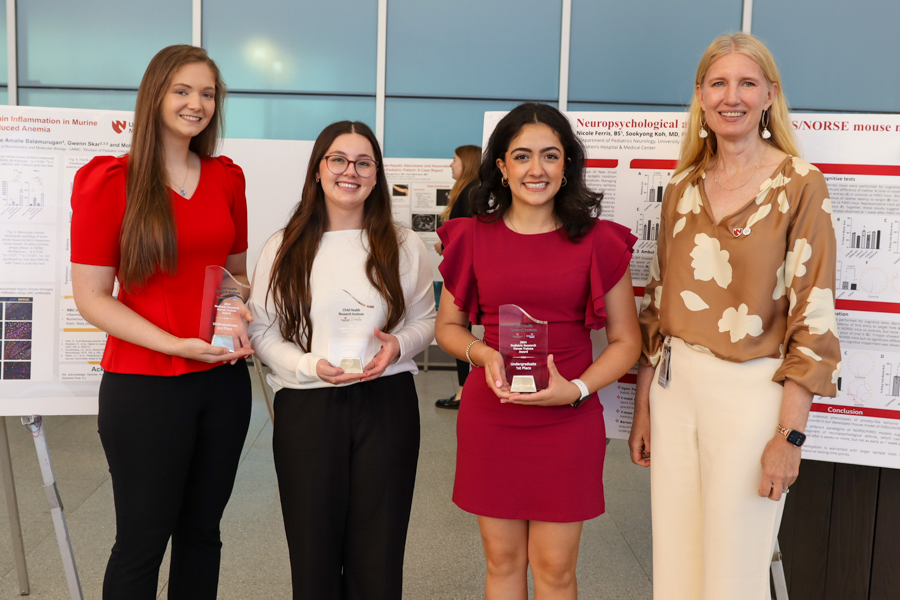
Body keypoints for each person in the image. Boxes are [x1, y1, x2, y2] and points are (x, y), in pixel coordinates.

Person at [628, 33, 840, 600]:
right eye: (718, 83)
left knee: (734, 572)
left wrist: (788, 435)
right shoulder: (681, 187)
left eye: (747, 83)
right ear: (700, 95)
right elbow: (658, 305)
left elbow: (813, 320)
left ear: (770, 94)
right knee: (674, 564)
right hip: (675, 388)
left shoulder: (800, 184)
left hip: (752, 394)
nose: (732, 96)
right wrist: (643, 406)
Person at [435, 103, 641, 600]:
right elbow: (448, 327)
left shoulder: (599, 242)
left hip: (568, 418)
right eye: (522, 156)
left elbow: (627, 341)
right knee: (502, 562)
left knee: (555, 569)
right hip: (493, 414)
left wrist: (576, 389)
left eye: (550, 155)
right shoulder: (471, 238)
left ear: (567, 164)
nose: (536, 169)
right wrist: (482, 355)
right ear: (501, 167)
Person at [70, 45, 253, 599]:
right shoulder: (110, 180)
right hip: (145, 385)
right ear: (154, 95)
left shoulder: (227, 177)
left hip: (221, 381)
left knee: (203, 535)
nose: (196, 103)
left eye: (207, 93)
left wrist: (236, 304)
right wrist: (174, 342)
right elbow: (93, 297)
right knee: (142, 541)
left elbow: (237, 275)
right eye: (182, 90)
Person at [248, 121, 435, 600]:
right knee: (313, 555)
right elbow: (263, 329)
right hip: (308, 406)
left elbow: (425, 321)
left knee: (379, 553)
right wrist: (309, 365)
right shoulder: (283, 245)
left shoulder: (403, 244)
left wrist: (399, 345)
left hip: (386, 402)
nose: (350, 171)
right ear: (318, 169)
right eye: (338, 159)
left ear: (376, 175)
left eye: (364, 162)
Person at [434, 144, 481, 409]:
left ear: (467, 162)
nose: (450, 165)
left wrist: (444, 246)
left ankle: (464, 391)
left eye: (454, 160)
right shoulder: (471, 190)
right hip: (467, 273)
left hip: (466, 276)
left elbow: (465, 239)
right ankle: (464, 389)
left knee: (459, 330)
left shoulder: (469, 191)